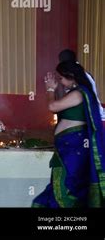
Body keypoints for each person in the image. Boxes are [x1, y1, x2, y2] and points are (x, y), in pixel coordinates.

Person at [32, 61, 105, 207]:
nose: (60, 81)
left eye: (61, 78)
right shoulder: (76, 92)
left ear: (71, 76)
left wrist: (50, 89)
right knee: (61, 187)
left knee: (65, 189)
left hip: (73, 150)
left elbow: (53, 107)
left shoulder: (79, 93)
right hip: (68, 148)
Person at [58, 49, 105, 121]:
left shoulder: (75, 77)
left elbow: (56, 106)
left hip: (94, 116)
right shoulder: (83, 74)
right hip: (95, 112)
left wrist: (50, 89)